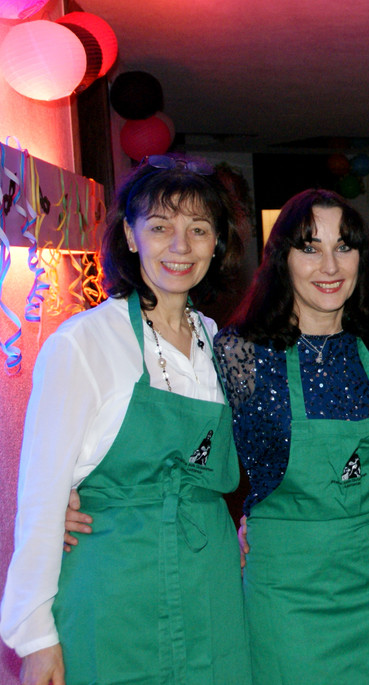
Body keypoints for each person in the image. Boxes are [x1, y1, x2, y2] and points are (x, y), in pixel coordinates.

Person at [0, 155, 251, 685]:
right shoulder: (83, 342)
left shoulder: (224, 346)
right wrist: (35, 637)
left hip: (211, 587)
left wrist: (257, 517)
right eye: (159, 227)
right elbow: (41, 500)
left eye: (198, 229)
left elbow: (266, 449)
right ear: (131, 237)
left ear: (216, 244)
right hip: (112, 589)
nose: (180, 246)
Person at [214, 188, 369, 684]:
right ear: (281, 258)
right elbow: (189, 453)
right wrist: (76, 488)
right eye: (310, 247)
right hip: (288, 593)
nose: (330, 265)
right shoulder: (239, 352)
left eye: (343, 246)